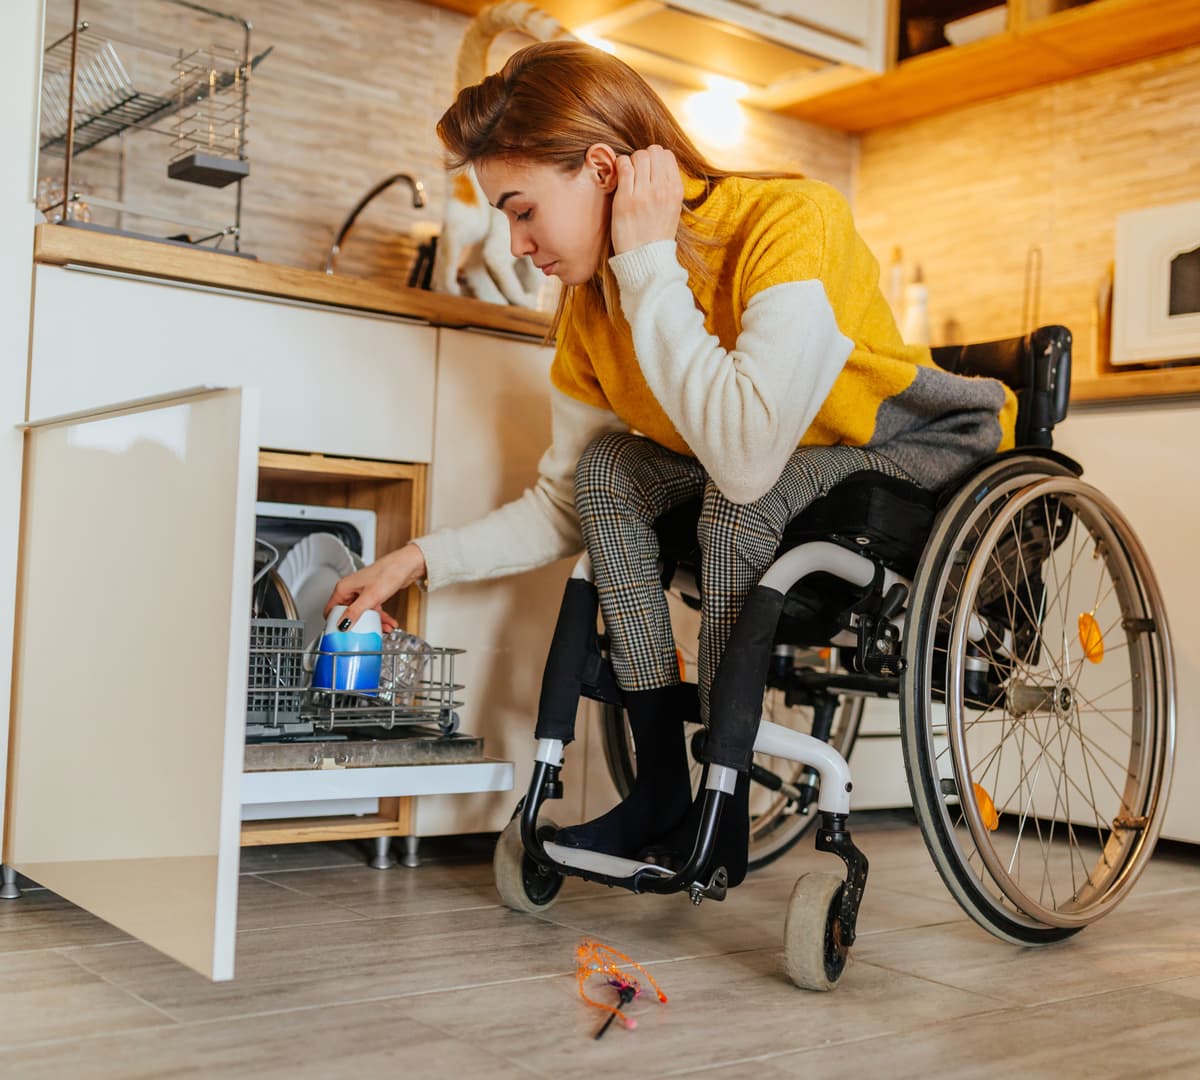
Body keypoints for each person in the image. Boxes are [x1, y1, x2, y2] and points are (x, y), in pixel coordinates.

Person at [325, 40, 1017, 886]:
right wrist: (415, 560)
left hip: (902, 452)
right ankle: (662, 787)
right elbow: (567, 505)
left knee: (735, 501)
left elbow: (745, 460)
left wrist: (649, 263)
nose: (516, 246)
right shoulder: (591, 310)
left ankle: (722, 797)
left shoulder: (789, 222)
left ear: (605, 170)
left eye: (523, 210)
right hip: (778, 464)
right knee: (610, 469)